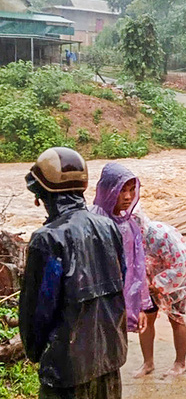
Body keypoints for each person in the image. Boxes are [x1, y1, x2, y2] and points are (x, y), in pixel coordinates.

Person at [20, 147, 127, 399]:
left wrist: (34, 352)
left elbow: (37, 310)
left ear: (41, 194)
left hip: (65, 372)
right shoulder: (109, 227)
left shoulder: (46, 240)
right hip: (110, 360)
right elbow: (121, 279)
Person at [89, 163, 152, 377]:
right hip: (97, 306)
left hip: (118, 304)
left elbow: (137, 270)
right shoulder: (93, 222)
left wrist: (140, 307)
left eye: (131, 190)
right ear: (108, 190)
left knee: (114, 358)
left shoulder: (129, 224)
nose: (127, 196)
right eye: (122, 190)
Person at [134, 212, 186, 378]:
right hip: (147, 280)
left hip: (173, 281)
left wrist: (159, 283)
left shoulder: (161, 235)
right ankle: (148, 363)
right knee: (146, 318)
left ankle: (180, 363)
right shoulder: (128, 238)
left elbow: (182, 261)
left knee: (177, 319)